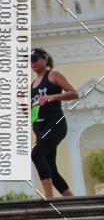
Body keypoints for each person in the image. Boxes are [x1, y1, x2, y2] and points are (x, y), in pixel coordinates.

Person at [31, 48, 78, 198]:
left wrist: (53, 97)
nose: (32, 63)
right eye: (29, 60)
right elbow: (33, 110)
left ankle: (49, 198)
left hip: (55, 122)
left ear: (45, 59)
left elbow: (74, 93)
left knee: (36, 153)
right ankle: (71, 199)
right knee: (50, 166)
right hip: (41, 126)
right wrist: (31, 117)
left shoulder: (53, 74)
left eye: (35, 58)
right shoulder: (32, 85)